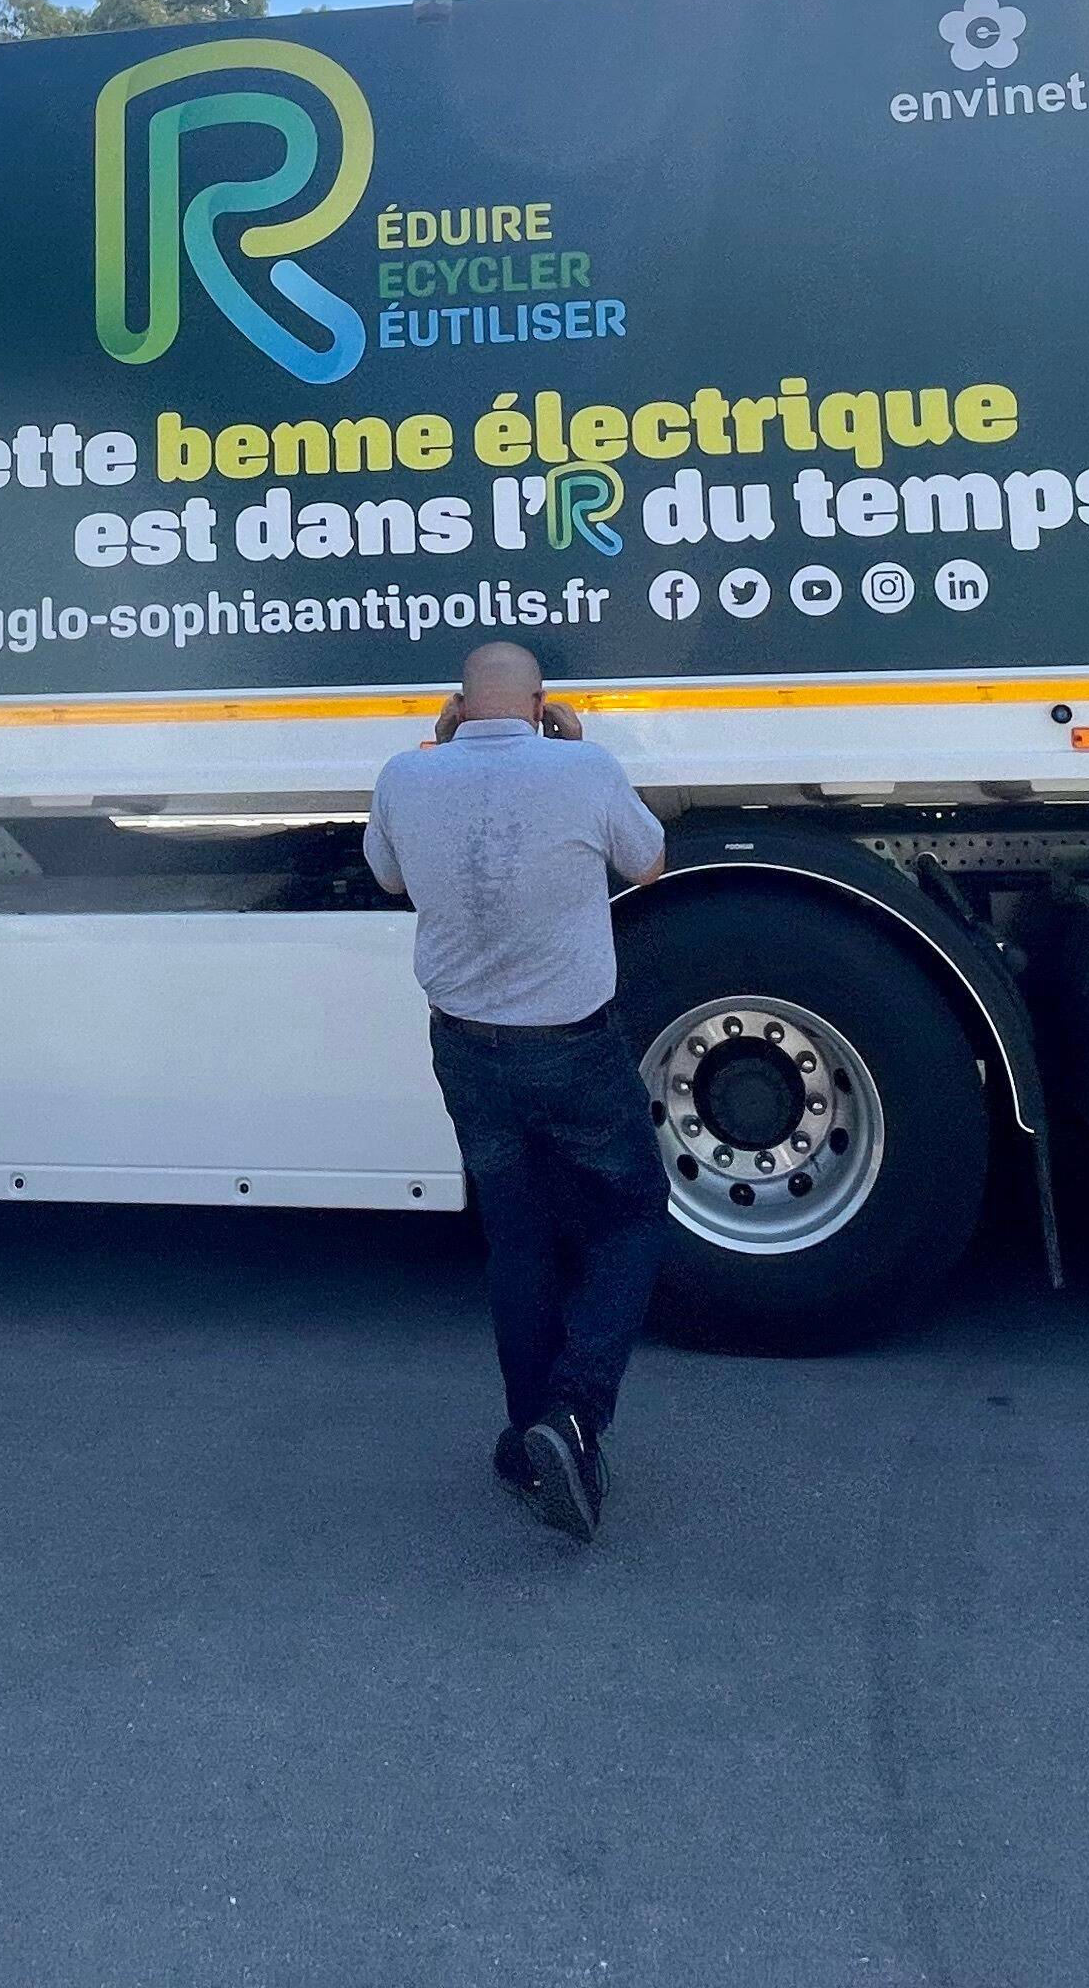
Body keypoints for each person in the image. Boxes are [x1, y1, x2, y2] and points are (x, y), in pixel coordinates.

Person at [361, 640, 669, 1544]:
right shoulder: (582, 768)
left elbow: (388, 875)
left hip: (465, 1048)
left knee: (517, 1236)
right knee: (633, 1214)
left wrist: (432, 745)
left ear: (458, 706)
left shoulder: (405, 775)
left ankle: (523, 1439)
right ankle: (573, 1418)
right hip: (571, 1048)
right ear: (540, 704)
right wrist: (573, 746)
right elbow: (647, 861)